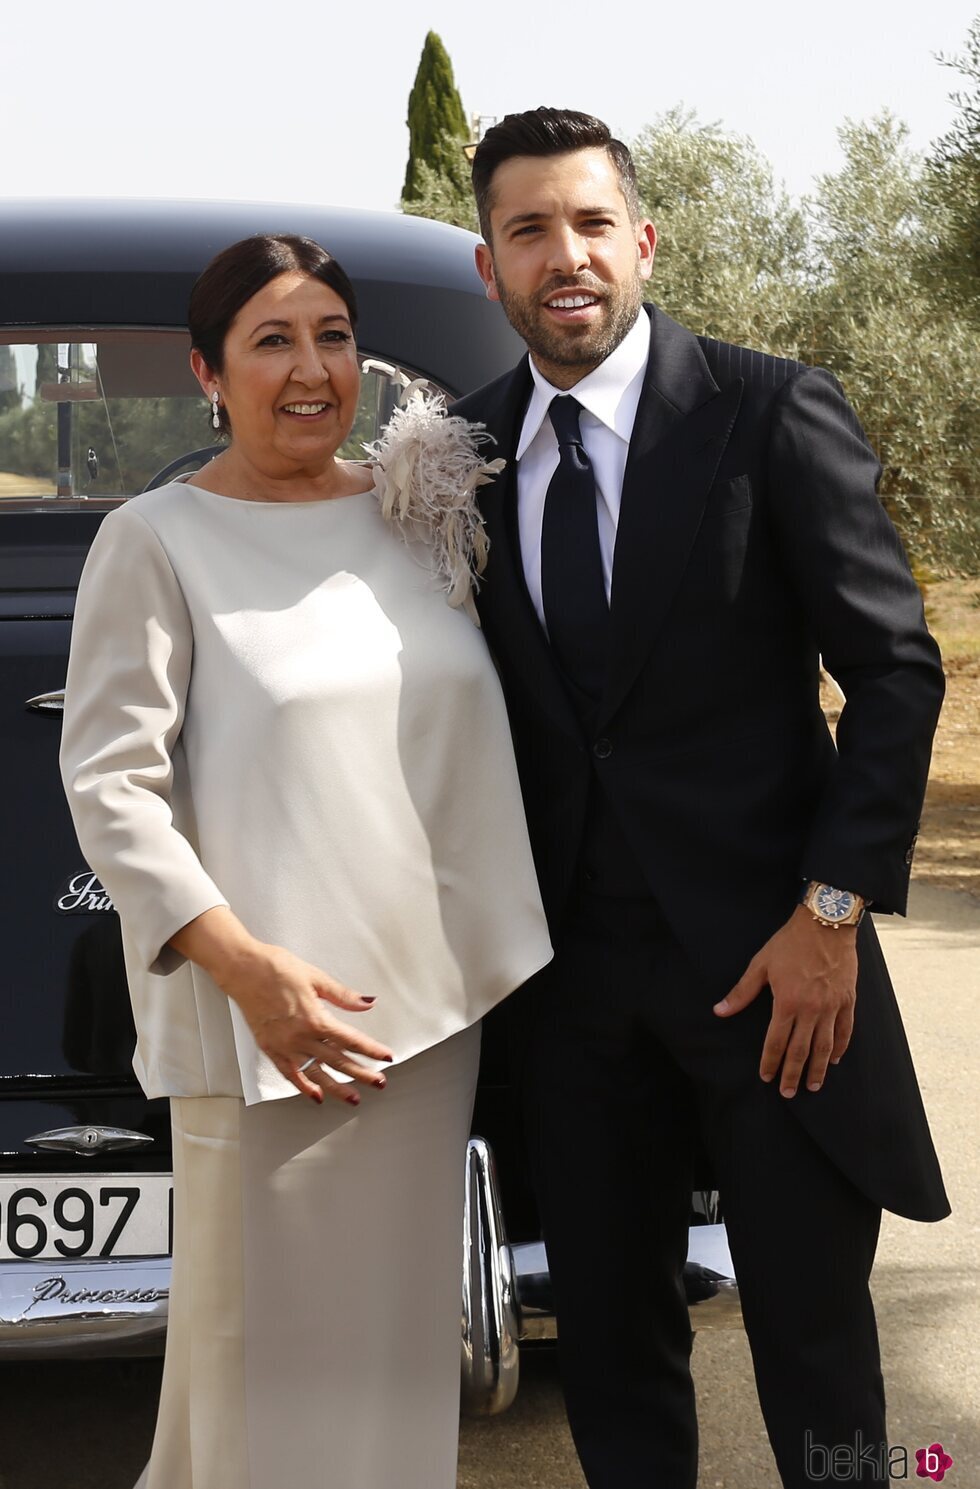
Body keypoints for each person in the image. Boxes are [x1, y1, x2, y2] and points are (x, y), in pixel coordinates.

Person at [452, 109, 949, 1489]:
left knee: (815, 1347)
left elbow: (898, 674)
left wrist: (831, 912)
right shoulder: (462, 463)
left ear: (644, 240)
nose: (566, 256)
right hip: (569, 997)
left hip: (779, 983)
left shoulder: (772, 410)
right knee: (610, 1352)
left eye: (591, 223)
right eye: (530, 230)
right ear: (490, 263)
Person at [59, 233, 552, 1489]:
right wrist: (248, 973)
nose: (311, 367)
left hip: (425, 1020)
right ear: (206, 373)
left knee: (390, 1369)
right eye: (270, 340)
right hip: (262, 1020)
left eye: (332, 336)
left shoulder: (418, 515)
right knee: (256, 1379)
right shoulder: (154, 536)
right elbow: (112, 784)